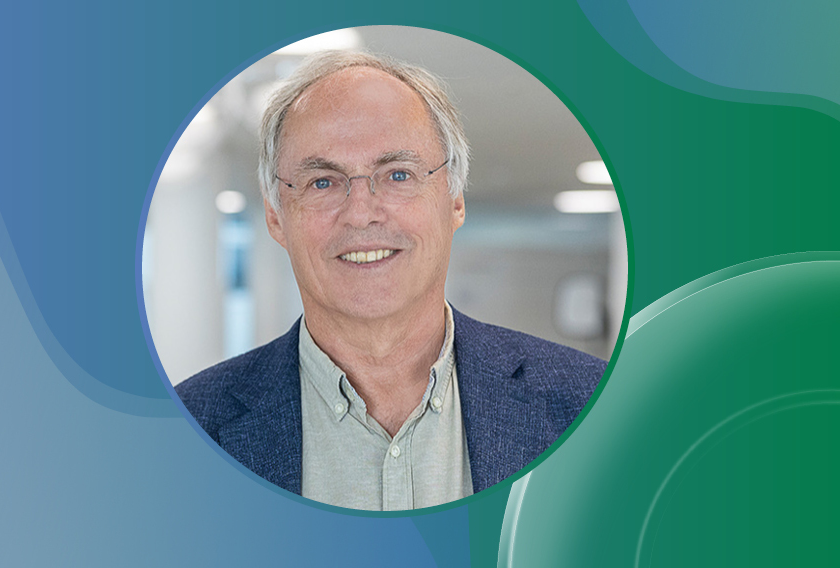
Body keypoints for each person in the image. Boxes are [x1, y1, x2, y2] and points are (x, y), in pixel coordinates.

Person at [176, 50, 606, 511]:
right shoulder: (186, 431)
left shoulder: (592, 408)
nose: (361, 213)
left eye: (398, 174)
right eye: (322, 182)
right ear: (276, 217)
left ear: (455, 199)